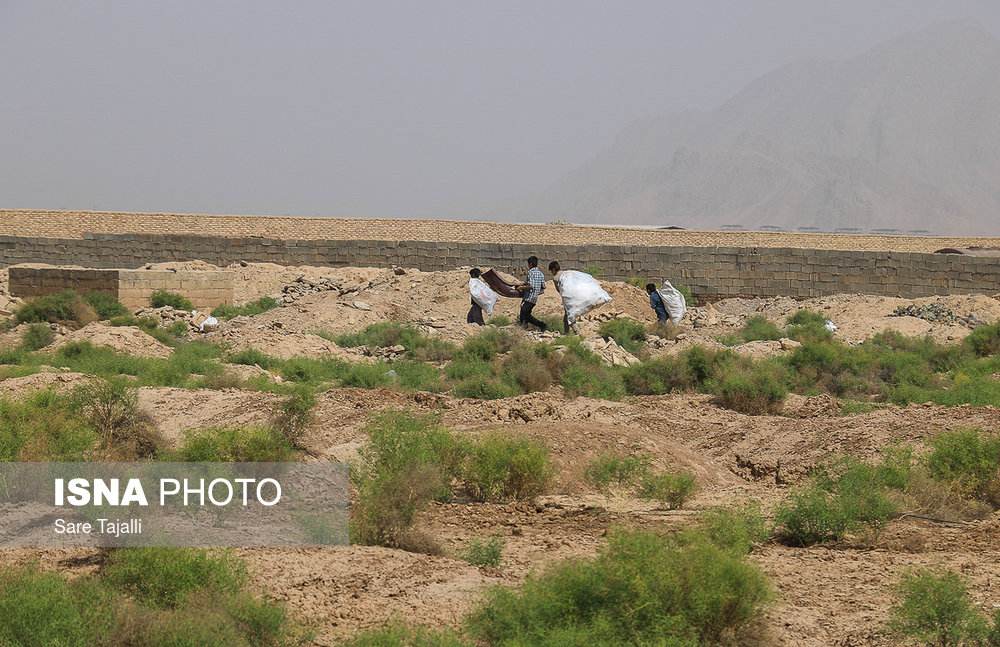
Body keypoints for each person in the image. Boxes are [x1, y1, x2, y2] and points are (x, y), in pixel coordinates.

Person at [516, 256, 547, 331]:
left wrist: (520, 288)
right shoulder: (540, 273)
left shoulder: (530, 272)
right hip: (534, 298)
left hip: (528, 297)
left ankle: (542, 325)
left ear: (530, 264)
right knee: (526, 314)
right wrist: (537, 288)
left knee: (524, 315)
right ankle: (525, 328)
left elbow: (531, 286)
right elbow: (544, 286)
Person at [547, 261, 580, 334]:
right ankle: (567, 333)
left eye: (551, 271)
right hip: (575, 296)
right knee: (566, 317)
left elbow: (559, 290)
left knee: (569, 316)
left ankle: (576, 330)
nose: (551, 273)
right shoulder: (566, 274)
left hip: (567, 299)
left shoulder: (556, 278)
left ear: (553, 269)